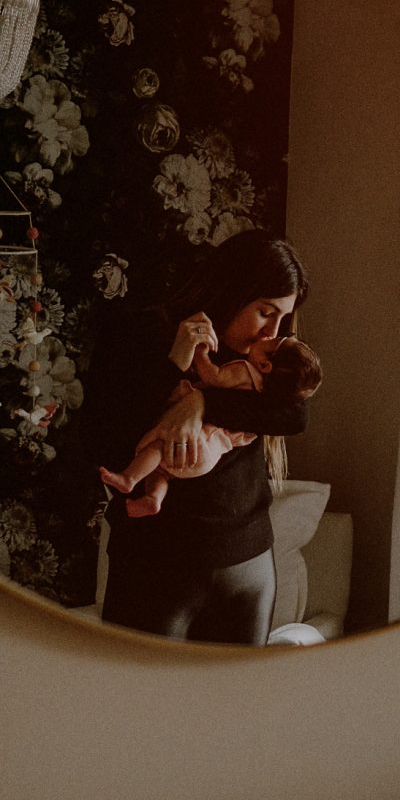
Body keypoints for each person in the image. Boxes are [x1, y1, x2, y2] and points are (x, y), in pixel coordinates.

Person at [83, 230, 314, 645]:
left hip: (250, 568)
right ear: (233, 289)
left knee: (236, 708)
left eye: (283, 318)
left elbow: (295, 415)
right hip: (156, 566)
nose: (272, 332)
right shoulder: (142, 332)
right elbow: (104, 435)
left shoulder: (264, 361)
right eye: (265, 312)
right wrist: (174, 365)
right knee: (142, 705)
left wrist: (201, 404)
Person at [99, 336, 323, 518]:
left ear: (265, 364)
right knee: (163, 472)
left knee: (158, 449)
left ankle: (129, 478)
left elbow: (213, 376)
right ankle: (153, 499)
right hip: (210, 454)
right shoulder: (269, 398)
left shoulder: (244, 371)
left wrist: (199, 354)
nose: (269, 333)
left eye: (273, 339)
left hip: (200, 441)